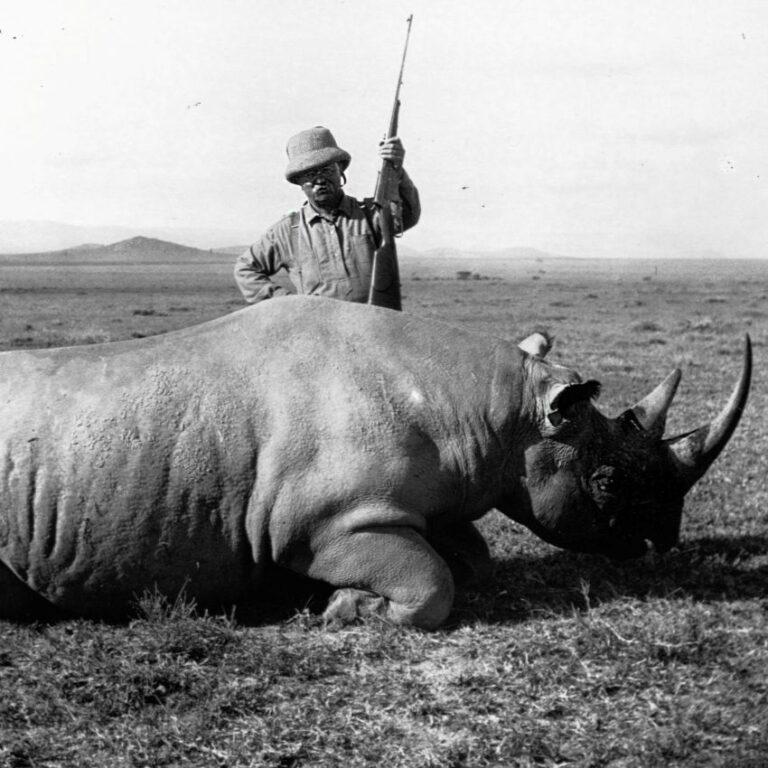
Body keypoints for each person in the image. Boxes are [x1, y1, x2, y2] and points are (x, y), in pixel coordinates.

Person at [234, 126, 420, 306]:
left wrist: (396, 168)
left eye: (327, 170)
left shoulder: (370, 214)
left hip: (373, 322)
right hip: (317, 327)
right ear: (299, 182)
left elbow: (408, 216)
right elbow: (245, 269)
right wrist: (287, 304)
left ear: (340, 171)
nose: (320, 180)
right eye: (309, 174)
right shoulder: (287, 231)